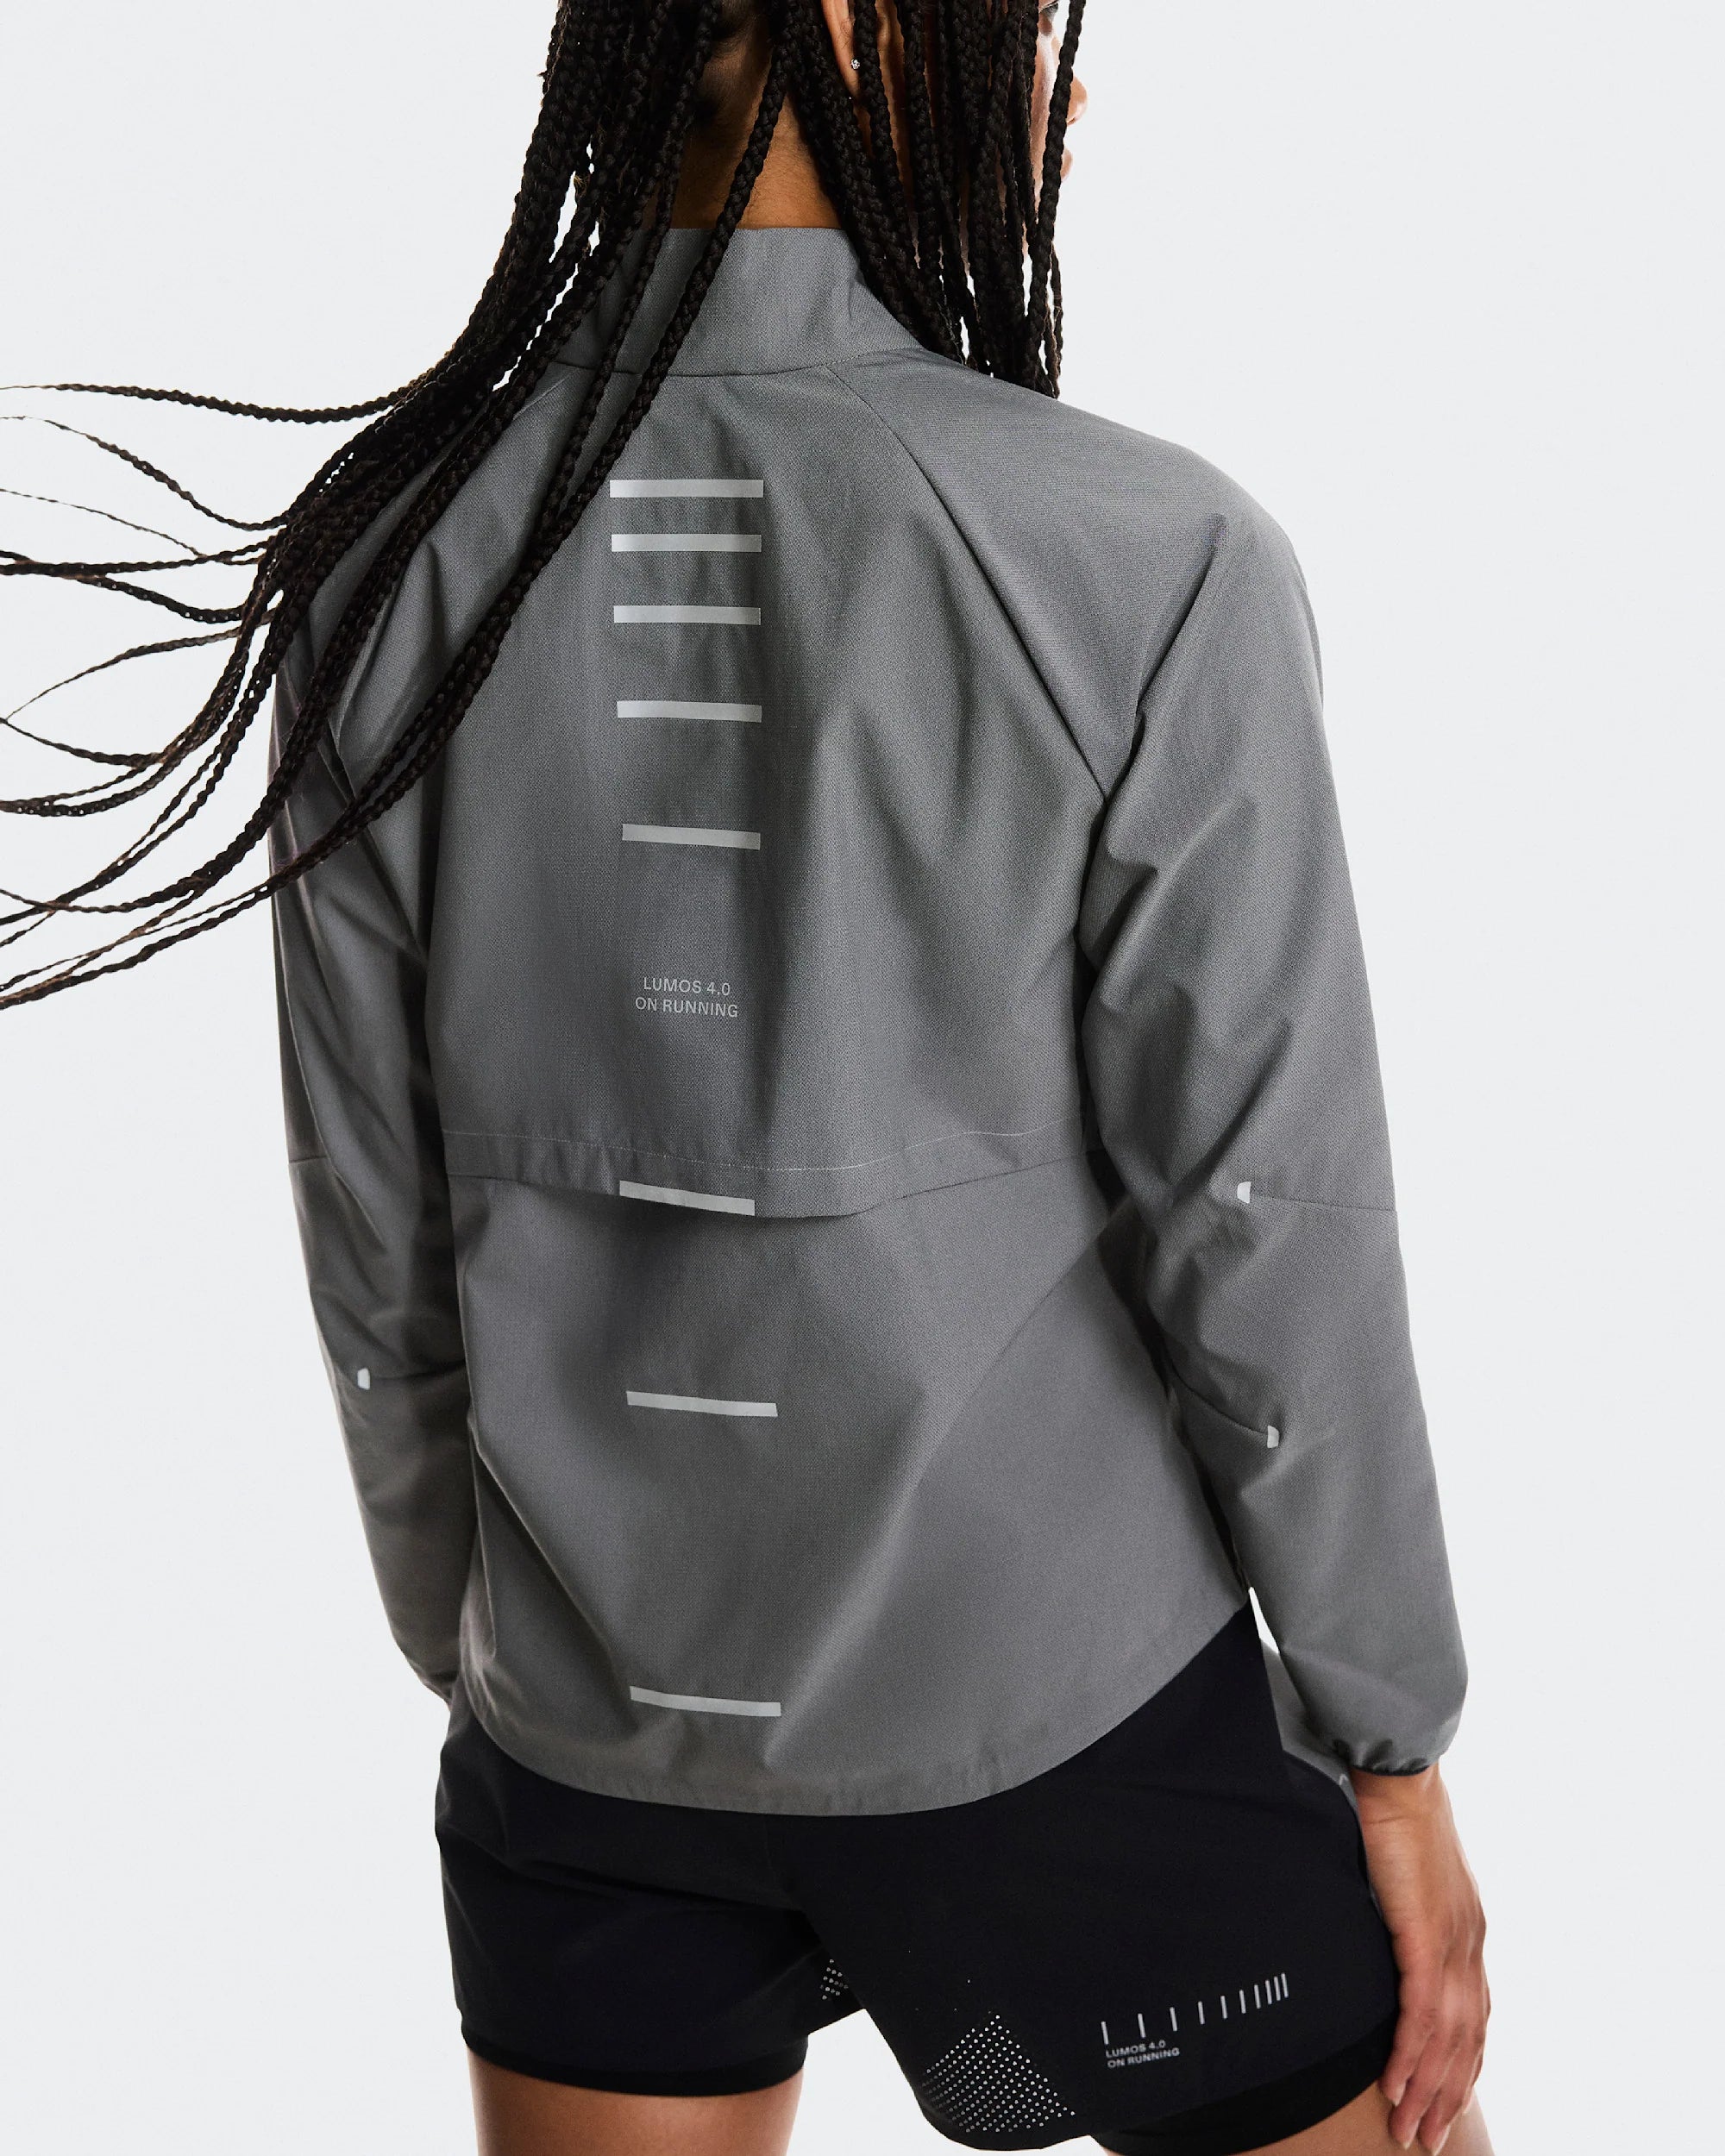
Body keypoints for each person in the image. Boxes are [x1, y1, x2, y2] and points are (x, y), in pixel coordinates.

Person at [2, 5, 1491, 2153]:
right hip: (1067, 1737)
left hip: (585, 1744)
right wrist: (1391, 1742)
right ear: (864, 25)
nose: (1063, 80)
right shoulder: (1146, 553)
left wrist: (484, 1645)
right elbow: (1265, 1220)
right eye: (1028, 22)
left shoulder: (389, 558)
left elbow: (372, 1224)